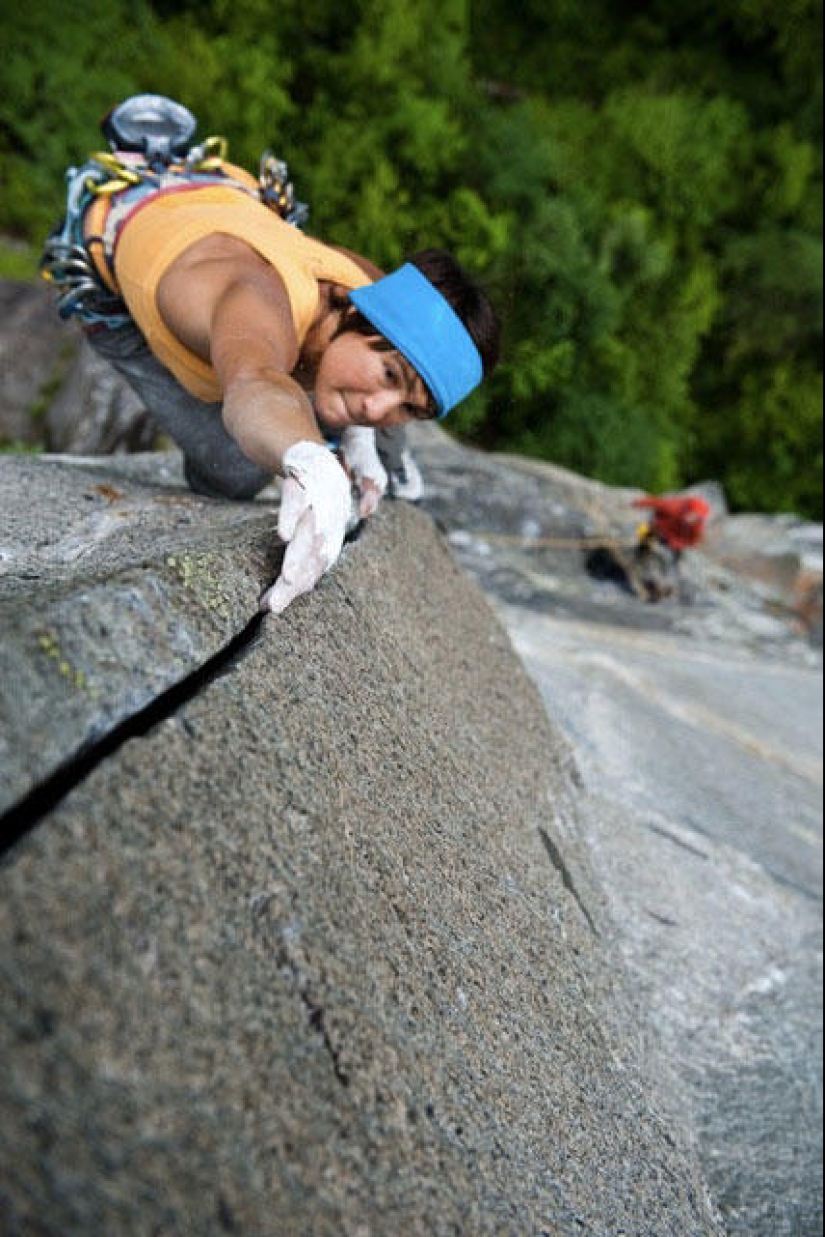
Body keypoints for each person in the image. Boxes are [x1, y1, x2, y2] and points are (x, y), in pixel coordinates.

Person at [42, 96, 500, 614]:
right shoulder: (251, 298)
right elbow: (254, 382)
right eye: (390, 374)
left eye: (413, 408)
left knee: (371, 428)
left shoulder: (366, 284)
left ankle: (377, 424)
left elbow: (377, 374)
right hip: (118, 255)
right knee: (236, 471)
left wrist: (362, 437)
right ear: (357, 314)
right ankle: (155, 161)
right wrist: (312, 463)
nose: (379, 406)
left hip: (233, 204)